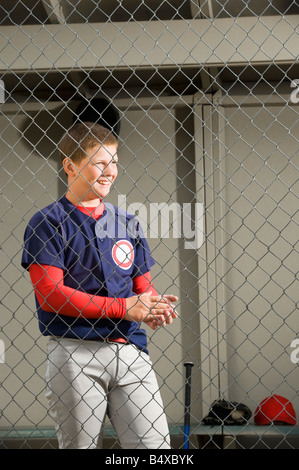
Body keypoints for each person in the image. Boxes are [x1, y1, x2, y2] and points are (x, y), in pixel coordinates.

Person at [21, 122, 178, 449]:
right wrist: (127, 308)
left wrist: (152, 308)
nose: (110, 171)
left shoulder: (127, 222)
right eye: (100, 162)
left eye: (115, 161)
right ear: (70, 165)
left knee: (156, 450)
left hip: (130, 350)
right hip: (75, 351)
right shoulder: (47, 222)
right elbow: (51, 296)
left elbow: (142, 292)